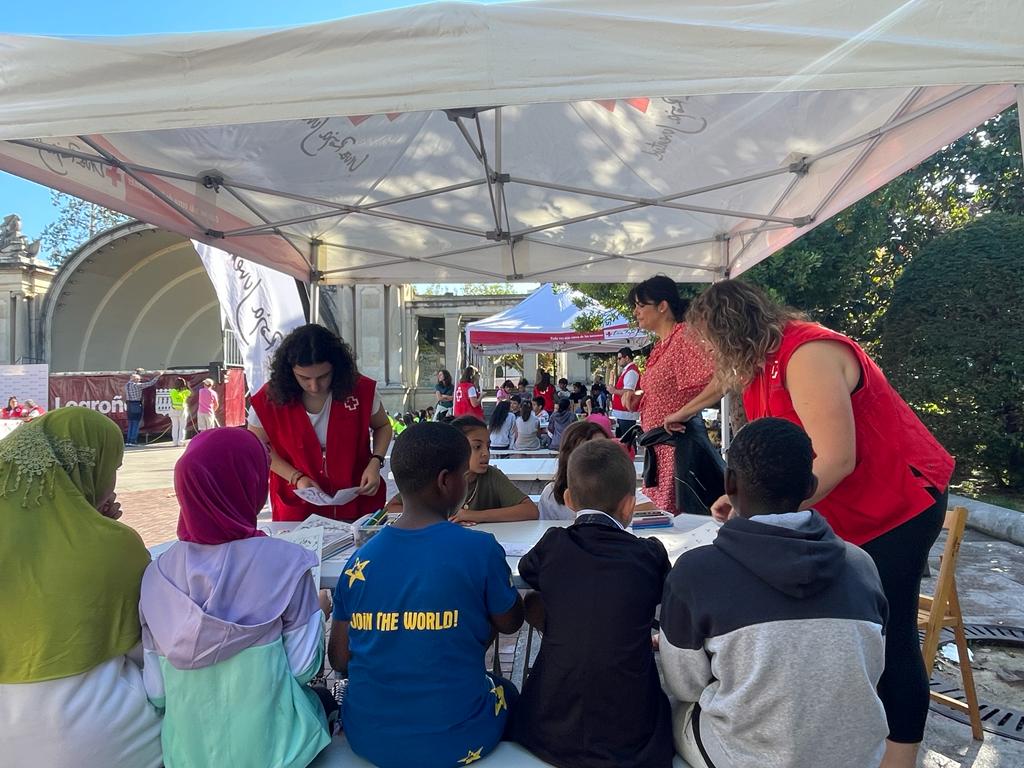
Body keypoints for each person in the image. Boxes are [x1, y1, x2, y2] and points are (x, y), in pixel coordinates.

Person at [685, 280, 954, 768]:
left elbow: (835, 459)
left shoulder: (807, 354)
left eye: (708, 344)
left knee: (886, 632)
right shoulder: (760, 367)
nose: (708, 357)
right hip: (845, 507)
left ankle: (899, 759)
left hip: (898, 501)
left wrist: (760, 518)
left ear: (729, 333)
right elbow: (779, 464)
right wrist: (741, 495)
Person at [659, 418, 888, 768]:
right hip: (856, 755)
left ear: (729, 483)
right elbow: (872, 667)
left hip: (746, 757)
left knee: (670, 705)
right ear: (811, 485)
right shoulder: (862, 566)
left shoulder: (694, 573)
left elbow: (685, 686)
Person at [329, 422, 525, 768]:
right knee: (506, 692)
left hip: (368, 736)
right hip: (460, 739)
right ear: (446, 481)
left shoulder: (360, 560)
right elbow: (510, 622)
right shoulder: (479, 549)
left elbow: (340, 660)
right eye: (464, 475)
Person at [139, 428, 332, 768]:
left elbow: (157, 693)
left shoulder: (157, 576)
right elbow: (304, 669)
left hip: (189, 756)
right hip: (280, 751)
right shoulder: (287, 564)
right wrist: (319, 610)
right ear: (251, 484)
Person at [0, 409, 162, 768]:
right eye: (113, 468)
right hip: (102, 740)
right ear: (88, 468)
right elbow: (148, 651)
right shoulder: (116, 546)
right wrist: (104, 531)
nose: (113, 484)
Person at [512, 439, 674, 768]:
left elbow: (527, 574)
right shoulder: (649, 554)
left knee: (534, 599)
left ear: (568, 500)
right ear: (630, 506)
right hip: (632, 733)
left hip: (550, 728)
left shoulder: (553, 544)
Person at [249, 324, 391, 522]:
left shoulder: (360, 390)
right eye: (304, 377)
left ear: (336, 368)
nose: (314, 386)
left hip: (357, 496)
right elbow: (257, 446)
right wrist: (295, 477)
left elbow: (383, 426)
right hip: (297, 502)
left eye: (323, 376)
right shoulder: (268, 400)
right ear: (289, 371)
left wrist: (375, 461)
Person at [628, 276, 717, 514]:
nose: (636, 312)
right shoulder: (663, 345)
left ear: (662, 306)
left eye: (640, 305)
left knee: (675, 523)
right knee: (665, 522)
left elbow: (721, 378)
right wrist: (641, 397)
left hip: (678, 450)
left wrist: (683, 413)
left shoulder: (683, 339)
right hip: (662, 452)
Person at [388, 416, 538, 523]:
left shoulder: (491, 476)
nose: (485, 453)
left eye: (488, 446)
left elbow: (530, 510)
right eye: (477, 447)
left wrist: (473, 515)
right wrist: (437, 516)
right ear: (457, 447)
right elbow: (391, 508)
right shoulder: (435, 475)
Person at [609, 347, 641, 440]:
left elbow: (629, 391)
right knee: (622, 440)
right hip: (623, 413)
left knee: (626, 441)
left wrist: (614, 391)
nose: (618, 361)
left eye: (619, 358)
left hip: (626, 414)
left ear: (627, 358)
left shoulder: (631, 372)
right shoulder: (628, 370)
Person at [125, 368, 162, 445]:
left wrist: (137, 373)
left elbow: (132, 379)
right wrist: (158, 376)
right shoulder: (137, 386)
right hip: (136, 404)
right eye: (138, 380)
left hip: (129, 405)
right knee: (135, 424)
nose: (139, 381)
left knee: (131, 423)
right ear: (135, 380)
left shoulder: (127, 385)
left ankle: (128, 441)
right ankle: (133, 441)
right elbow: (151, 383)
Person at [168, 376, 192, 446]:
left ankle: (174, 442)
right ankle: (180, 442)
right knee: (182, 427)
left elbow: (171, 399)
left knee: (175, 426)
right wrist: (187, 386)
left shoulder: (172, 391)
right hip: (182, 410)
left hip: (173, 409)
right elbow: (191, 393)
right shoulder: (185, 392)